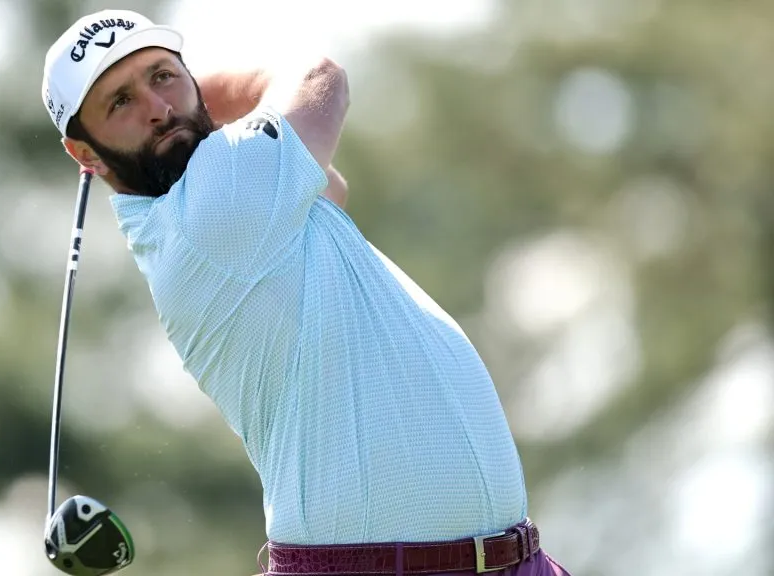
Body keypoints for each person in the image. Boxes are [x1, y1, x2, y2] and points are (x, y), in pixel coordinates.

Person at [41, 9, 571, 576]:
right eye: (120, 102)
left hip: (513, 559)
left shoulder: (239, 200)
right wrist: (193, 95)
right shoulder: (212, 207)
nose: (156, 107)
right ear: (86, 154)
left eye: (162, 76)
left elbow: (330, 187)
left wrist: (179, 104)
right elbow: (320, 78)